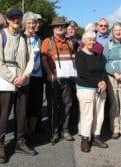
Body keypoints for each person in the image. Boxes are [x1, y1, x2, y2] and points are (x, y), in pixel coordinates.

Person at [0, 8, 36, 164]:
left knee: (21, 113)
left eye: (18, 17)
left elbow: (31, 59)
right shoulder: (1, 36)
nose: (16, 20)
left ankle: (19, 141)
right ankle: (0, 145)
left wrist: (24, 76)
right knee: (3, 116)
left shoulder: (25, 37)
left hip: (23, 81)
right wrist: (13, 78)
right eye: (13, 18)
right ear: (8, 19)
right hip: (6, 81)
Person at [41, 16, 76, 145]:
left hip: (67, 79)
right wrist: (49, 73)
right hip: (53, 79)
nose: (60, 27)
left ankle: (65, 130)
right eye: (57, 26)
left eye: (62, 25)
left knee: (67, 104)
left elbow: (73, 58)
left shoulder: (70, 42)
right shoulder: (47, 41)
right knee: (53, 106)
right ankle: (55, 131)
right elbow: (44, 59)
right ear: (53, 28)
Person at [76, 30, 108, 152]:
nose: (92, 42)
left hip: (100, 89)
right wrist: (97, 83)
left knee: (99, 115)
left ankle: (96, 137)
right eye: (89, 39)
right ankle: (85, 139)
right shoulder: (79, 55)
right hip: (86, 89)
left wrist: (103, 81)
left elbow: (103, 70)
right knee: (87, 115)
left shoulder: (97, 55)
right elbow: (82, 73)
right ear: (84, 41)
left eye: (94, 40)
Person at [22, 12, 43, 143]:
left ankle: (32, 130)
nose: (31, 25)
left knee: (36, 104)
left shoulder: (38, 39)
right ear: (25, 24)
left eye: (33, 23)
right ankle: (23, 131)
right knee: (24, 104)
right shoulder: (21, 37)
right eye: (29, 23)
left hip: (38, 75)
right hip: (25, 75)